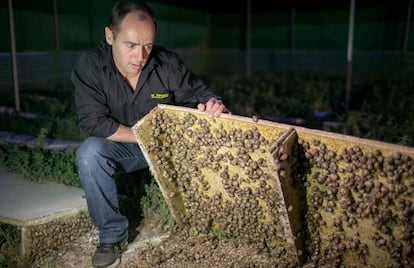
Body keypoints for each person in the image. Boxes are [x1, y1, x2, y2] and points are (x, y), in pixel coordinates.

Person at [71, 1, 229, 267]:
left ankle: (206, 219)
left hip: (166, 143)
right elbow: (94, 123)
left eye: (147, 46)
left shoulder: (165, 63)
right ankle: (111, 236)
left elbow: (200, 93)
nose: (140, 57)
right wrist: (148, 137)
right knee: (89, 153)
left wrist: (213, 103)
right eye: (130, 46)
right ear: (110, 36)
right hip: (128, 144)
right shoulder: (91, 65)